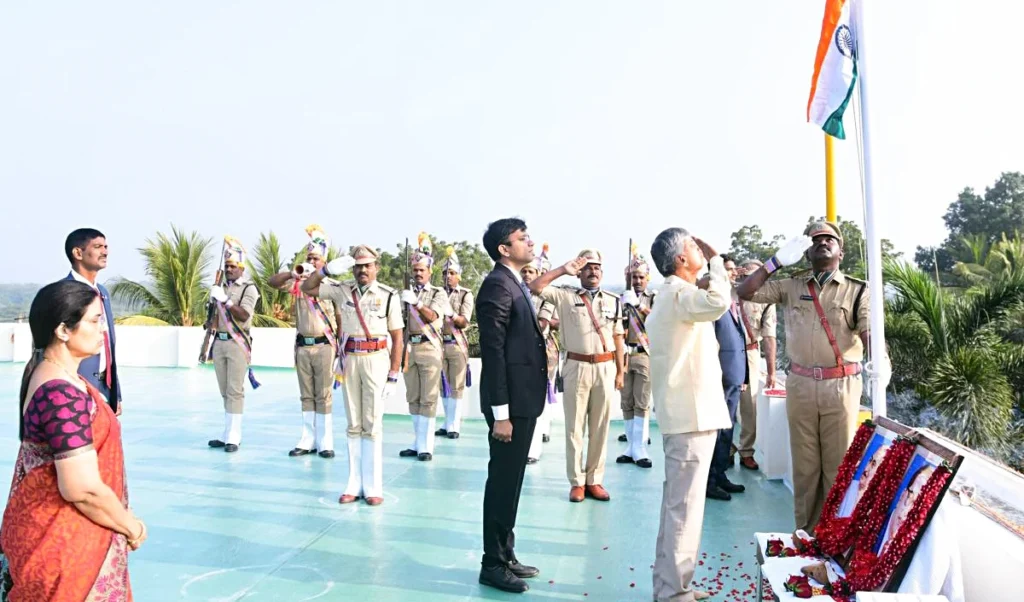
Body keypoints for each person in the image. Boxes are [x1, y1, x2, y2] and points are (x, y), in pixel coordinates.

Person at [737, 220, 891, 533]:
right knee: (805, 469)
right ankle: (806, 535)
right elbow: (745, 291)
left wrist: (880, 359)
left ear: (841, 252)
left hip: (841, 387)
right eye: (816, 240)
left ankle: (833, 539)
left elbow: (869, 330)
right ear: (806, 252)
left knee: (838, 468)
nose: (822, 243)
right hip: (801, 385)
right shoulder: (791, 286)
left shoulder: (857, 290)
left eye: (829, 239)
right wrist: (776, 261)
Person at [0, 280, 146, 601]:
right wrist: (130, 526)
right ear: (63, 330)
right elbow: (80, 488)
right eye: (94, 321)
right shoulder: (60, 393)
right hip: (61, 548)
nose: (102, 330)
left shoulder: (56, 376)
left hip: (59, 537)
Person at [646, 227, 732, 602]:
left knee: (677, 506)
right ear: (681, 260)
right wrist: (716, 263)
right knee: (685, 509)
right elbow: (719, 302)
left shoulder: (672, 294)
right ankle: (673, 593)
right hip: (691, 417)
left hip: (686, 415)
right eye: (694, 247)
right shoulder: (681, 293)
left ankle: (670, 585)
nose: (701, 249)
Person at [477, 218, 546, 593]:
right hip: (510, 405)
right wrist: (500, 414)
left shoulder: (514, 282)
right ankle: (492, 563)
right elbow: (494, 353)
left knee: (513, 480)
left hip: (523, 400)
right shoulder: (496, 286)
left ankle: (506, 553)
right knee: (502, 482)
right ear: (504, 249)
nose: (530, 242)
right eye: (522, 238)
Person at [302, 245, 401, 507]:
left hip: (376, 361)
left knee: (372, 423)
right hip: (350, 360)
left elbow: (398, 337)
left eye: (367, 265)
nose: (362, 270)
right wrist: (325, 270)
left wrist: (394, 373)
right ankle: (353, 483)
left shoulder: (389, 295)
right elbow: (307, 288)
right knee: (353, 422)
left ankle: (373, 486)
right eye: (358, 266)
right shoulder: (342, 289)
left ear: (376, 267)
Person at [529, 249, 624, 503]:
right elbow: (535, 286)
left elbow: (618, 336)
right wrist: (563, 269)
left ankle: (594, 479)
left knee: (600, 427)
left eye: (596, 267)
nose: (592, 271)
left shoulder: (614, 300)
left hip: (605, 366)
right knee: (574, 428)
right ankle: (576, 482)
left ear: (602, 272)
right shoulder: (564, 295)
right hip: (576, 366)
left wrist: (621, 371)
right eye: (587, 267)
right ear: (579, 271)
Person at [268, 225, 344, 458]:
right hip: (302, 345)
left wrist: (341, 347)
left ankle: (325, 441)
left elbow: (340, 317)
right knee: (306, 395)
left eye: (316, 258)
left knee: (324, 394)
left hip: (325, 345)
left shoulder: (331, 286)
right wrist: (293, 273)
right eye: (309, 256)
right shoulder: (298, 284)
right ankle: (307, 439)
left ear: (325, 262)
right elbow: (272, 282)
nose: (312, 261)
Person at [399, 233, 452, 461]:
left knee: (429, 398)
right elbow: (400, 323)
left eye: (422, 270)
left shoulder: (438, 293)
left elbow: (431, 317)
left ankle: (426, 446)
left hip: (429, 347)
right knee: (413, 397)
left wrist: (416, 303)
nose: (418, 273)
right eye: (416, 270)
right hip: (410, 348)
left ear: (429, 272)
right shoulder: (406, 293)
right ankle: (417, 441)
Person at [206, 238, 260, 453]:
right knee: (224, 390)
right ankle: (226, 432)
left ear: (241, 269)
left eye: (233, 266)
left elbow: (244, 314)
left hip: (238, 342)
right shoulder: (219, 287)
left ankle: (234, 436)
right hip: (219, 341)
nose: (229, 269)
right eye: (227, 266)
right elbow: (211, 318)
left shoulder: (248, 288)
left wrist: (226, 301)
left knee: (235, 390)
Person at [64, 228, 122, 414]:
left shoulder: (102, 292)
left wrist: (116, 394)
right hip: (76, 388)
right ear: (78, 253)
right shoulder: (65, 293)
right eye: (97, 247)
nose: (105, 251)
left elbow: (109, 344)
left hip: (105, 388)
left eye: (105, 246)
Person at [729, 258, 777, 471]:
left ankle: (746, 451)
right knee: (725, 403)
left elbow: (769, 336)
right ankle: (726, 449)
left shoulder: (767, 299)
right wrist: (727, 273)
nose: (753, 278)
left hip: (750, 353)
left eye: (758, 275)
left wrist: (772, 371)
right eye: (748, 274)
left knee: (750, 406)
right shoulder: (728, 291)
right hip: (726, 354)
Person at [707, 254, 748, 502]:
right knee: (716, 432)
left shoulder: (733, 302)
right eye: (727, 270)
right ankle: (710, 481)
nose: (732, 274)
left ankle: (720, 474)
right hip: (719, 378)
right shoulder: (714, 304)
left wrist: (744, 376)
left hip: (733, 379)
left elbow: (741, 343)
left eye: (733, 270)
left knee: (727, 430)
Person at [521, 244, 559, 464]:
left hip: (542, 352)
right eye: (524, 271)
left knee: (540, 398)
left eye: (531, 272)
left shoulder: (546, 298)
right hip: (520, 353)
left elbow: (543, 323)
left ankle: (534, 448)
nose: (527, 275)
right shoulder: (516, 293)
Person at [618, 247, 656, 468]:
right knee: (627, 402)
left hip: (644, 353)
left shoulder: (653, 299)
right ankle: (630, 445)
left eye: (641, 277)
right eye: (634, 277)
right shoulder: (623, 296)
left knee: (642, 402)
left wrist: (638, 305)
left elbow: (657, 320)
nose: (638, 281)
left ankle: (640, 447)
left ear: (647, 279)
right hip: (625, 353)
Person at [438, 247, 475, 440]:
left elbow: (464, 321)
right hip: (438, 344)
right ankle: (446, 422)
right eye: (445, 273)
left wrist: (450, 313)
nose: (448, 277)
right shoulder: (436, 292)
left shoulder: (465, 295)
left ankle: (454, 425)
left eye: (452, 273)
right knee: (442, 385)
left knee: (456, 385)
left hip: (456, 343)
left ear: (458, 276)